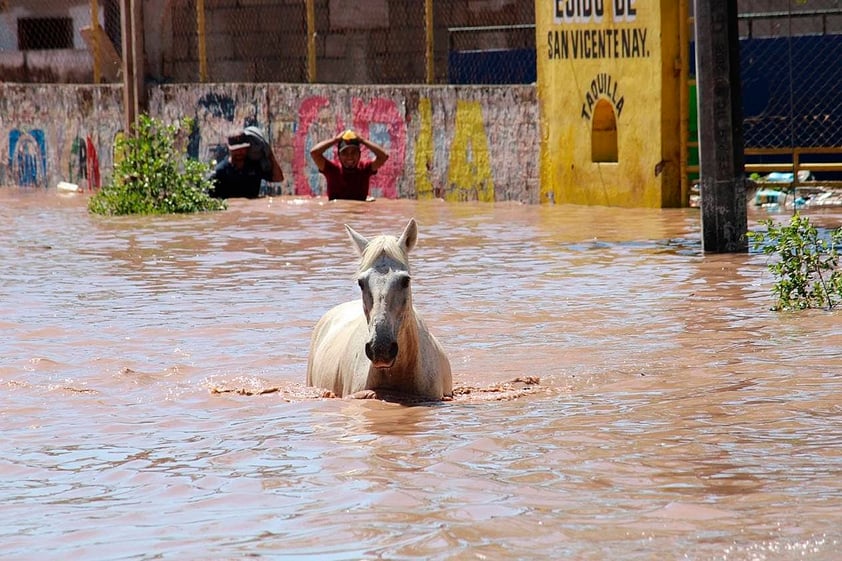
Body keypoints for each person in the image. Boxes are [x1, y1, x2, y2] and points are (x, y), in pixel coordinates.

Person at [310, 129, 389, 201]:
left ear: (359, 154)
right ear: (339, 155)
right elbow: (314, 153)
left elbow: (383, 156)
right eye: (345, 153)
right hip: (336, 214)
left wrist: (363, 140)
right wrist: (335, 140)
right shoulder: (332, 170)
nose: (349, 157)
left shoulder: (364, 169)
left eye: (353, 152)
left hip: (359, 214)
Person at [209, 126, 284, 199]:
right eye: (236, 149)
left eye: (242, 148)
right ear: (229, 149)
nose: (239, 152)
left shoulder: (255, 166)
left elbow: (278, 178)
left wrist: (270, 154)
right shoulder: (220, 172)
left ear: (248, 148)